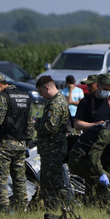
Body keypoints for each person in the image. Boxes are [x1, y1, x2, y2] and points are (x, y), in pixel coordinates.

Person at [68, 113, 110, 207]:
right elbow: (94, 154)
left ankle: (97, 203)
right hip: (79, 159)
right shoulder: (106, 133)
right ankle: (107, 208)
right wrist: (101, 173)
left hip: (91, 159)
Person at [0, 72, 33, 212]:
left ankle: (4, 209)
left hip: (5, 144)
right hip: (20, 144)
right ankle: (22, 208)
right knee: (20, 179)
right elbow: (30, 123)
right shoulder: (25, 96)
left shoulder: (3, 97)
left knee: (0, 178)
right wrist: (28, 142)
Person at [34, 76, 71, 209]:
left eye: (40, 92)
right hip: (55, 147)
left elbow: (50, 127)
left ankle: (53, 207)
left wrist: (35, 125)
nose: (41, 95)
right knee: (55, 180)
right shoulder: (61, 100)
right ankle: (58, 206)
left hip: (52, 149)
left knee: (50, 182)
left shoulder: (55, 104)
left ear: (47, 88)